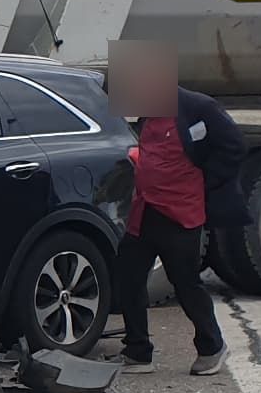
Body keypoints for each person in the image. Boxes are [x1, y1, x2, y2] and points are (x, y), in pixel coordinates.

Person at [105, 50, 248, 376]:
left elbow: (234, 147)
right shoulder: (146, 113)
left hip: (181, 212)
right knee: (128, 277)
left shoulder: (198, 107)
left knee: (185, 283)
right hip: (145, 211)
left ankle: (212, 346)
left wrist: (202, 183)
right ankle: (138, 353)